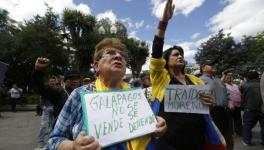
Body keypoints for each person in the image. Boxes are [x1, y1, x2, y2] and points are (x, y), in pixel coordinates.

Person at [47, 38, 167, 150]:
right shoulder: (79, 94)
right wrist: (73, 146)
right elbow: (54, 141)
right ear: (96, 66)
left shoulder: (138, 95)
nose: (118, 56)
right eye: (110, 52)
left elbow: (149, 130)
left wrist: (156, 126)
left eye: (123, 56)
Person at [150, 0, 225, 149]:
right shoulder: (160, 77)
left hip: (196, 137)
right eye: (176, 54)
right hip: (169, 140)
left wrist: (208, 104)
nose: (180, 56)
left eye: (182, 55)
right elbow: (156, 50)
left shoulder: (196, 81)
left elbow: (204, 108)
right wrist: (163, 22)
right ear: (165, 60)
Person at [200, 60, 234, 150]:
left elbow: (226, 93)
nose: (214, 66)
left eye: (214, 64)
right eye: (210, 64)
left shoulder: (219, 80)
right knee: (216, 138)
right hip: (212, 112)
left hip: (224, 112)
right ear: (203, 68)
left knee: (227, 136)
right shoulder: (199, 80)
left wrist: (230, 101)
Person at [241, 70, 264, 146]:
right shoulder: (262, 84)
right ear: (258, 76)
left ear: (248, 77)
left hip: (249, 108)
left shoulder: (244, 85)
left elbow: (242, 97)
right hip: (262, 108)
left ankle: (247, 141)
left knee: (247, 125)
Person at [35, 76, 58, 149]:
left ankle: (51, 141)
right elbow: (41, 99)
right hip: (46, 109)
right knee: (43, 126)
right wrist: (43, 107)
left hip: (54, 109)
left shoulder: (58, 89)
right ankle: (41, 142)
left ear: (55, 82)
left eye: (53, 81)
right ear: (49, 82)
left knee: (53, 126)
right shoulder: (46, 89)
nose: (52, 82)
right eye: (51, 81)